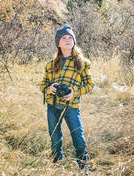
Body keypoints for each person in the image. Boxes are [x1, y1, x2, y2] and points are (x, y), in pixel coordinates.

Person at [40, 25, 93, 174]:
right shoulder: (50, 65)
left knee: (79, 139)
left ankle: (84, 169)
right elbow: (42, 86)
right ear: (58, 43)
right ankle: (58, 169)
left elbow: (90, 85)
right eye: (64, 38)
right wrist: (49, 89)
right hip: (53, 107)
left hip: (72, 106)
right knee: (56, 141)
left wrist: (74, 92)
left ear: (74, 41)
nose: (68, 40)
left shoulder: (82, 63)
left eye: (70, 38)